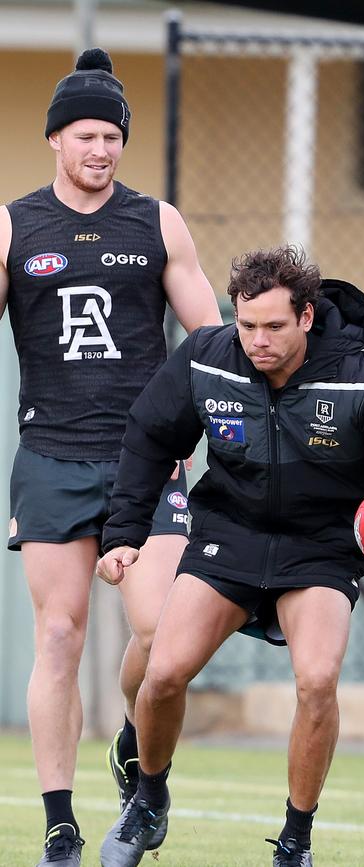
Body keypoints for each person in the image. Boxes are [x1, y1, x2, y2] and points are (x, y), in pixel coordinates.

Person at [93, 244, 364, 867]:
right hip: (230, 536)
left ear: (306, 316)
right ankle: (148, 797)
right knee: (163, 672)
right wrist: (122, 534)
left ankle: (295, 840)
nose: (258, 341)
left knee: (318, 680)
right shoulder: (207, 359)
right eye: (247, 325)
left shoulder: (359, 379)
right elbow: (148, 435)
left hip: (320, 549)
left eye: (274, 326)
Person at [0, 48, 221, 866]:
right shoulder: (14, 223)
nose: (100, 150)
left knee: (165, 634)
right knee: (57, 635)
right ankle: (59, 824)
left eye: (111, 137)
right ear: (55, 139)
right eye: (85, 135)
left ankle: (135, 744)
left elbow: (209, 335)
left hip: (146, 457)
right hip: (52, 454)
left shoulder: (156, 221)